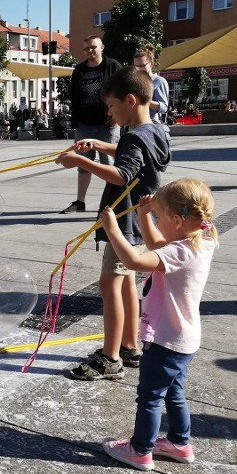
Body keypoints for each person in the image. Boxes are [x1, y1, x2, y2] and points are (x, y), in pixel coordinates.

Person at [56, 66, 170, 381]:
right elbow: (131, 155)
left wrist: (81, 162)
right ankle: (131, 346)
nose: (109, 111)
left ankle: (110, 359)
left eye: (111, 105)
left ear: (130, 101)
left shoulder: (134, 138)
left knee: (109, 284)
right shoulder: (155, 131)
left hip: (124, 221)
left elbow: (123, 173)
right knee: (126, 283)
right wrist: (98, 145)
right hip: (140, 221)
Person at [99, 179, 218, 470]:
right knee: (174, 392)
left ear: (177, 220)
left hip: (165, 339)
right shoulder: (200, 241)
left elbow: (136, 260)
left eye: (161, 217)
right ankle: (180, 443)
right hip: (184, 339)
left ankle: (140, 450)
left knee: (150, 397)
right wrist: (144, 215)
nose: (158, 221)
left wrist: (113, 229)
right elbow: (157, 245)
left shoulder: (180, 252)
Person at [61, 35, 122, 214]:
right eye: (86, 49)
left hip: (107, 124)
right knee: (83, 163)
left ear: (102, 47)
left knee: (110, 165)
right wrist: (77, 119)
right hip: (85, 124)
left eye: (93, 47)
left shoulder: (113, 67)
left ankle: (113, 203)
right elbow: (74, 95)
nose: (90, 52)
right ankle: (80, 202)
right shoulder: (79, 70)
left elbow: (123, 90)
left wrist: (116, 117)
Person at [133, 45, 169, 124]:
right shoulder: (133, 81)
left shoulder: (158, 81)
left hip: (151, 123)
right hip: (134, 123)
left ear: (151, 64)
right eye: (136, 66)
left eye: (142, 66)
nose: (138, 69)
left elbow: (164, 108)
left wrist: (145, 101)